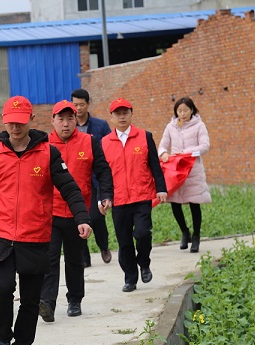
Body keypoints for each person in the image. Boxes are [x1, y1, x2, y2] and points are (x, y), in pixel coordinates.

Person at [0, 96, 92, 345]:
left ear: (31, 120)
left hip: (35, 235)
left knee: (31, 298)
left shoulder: (48, 153)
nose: (15, 127)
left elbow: (69, 188)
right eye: (11, 122)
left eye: (20, 122)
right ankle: (2, 339)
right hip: (1, 233)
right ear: (4, 121)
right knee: (3, 288)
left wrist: (81, 218)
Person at [38, 100, 113, 323]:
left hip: (78, 213)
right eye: (60, 119)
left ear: (76, 120)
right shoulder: (42, 145)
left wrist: (105, 195)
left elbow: (103, 171)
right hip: (50, 212)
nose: (66, 123)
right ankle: (47, 303)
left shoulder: (89, 142)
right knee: (49, 258)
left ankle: (74, 300)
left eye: (70, 119)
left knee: (74, 259)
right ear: (52, 121)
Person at [100, 98, 167, 293]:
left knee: (143, 233)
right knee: (125, 242)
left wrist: (161, 188)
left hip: (141, 196)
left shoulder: (145, 137)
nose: (122, 117)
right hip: (119, 199)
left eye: (125, 113)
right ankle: (130, 278)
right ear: (111, 117)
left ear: (131, 114)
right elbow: (103, 174)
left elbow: (155, 165)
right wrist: (104, 196)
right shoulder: (104, 142)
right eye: (118, 113)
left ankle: (144, 263)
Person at [157, 97, 211, 253]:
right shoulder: (171, 127)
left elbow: (205, 146)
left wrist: (186, 153)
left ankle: (196, 236)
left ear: (192, 110)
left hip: (193, 170)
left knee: (195, 204)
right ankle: (185, 232)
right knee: (175, 203)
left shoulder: (199, 125)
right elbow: (162, 145)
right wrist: (163, 154)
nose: (182, 114)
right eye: (179, 111)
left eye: (185, 110)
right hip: (175, 170)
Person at [71, 89, 113, 267]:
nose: (78, 108)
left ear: (88, 104)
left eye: (82, 104)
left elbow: (109, 149)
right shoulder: (68, 126)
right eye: (75, 105)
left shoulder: (100, 126)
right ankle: (84, 257)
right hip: (75, 180)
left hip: (94, 180)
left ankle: (103, 246)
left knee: (96, 217)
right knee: (78, 218)